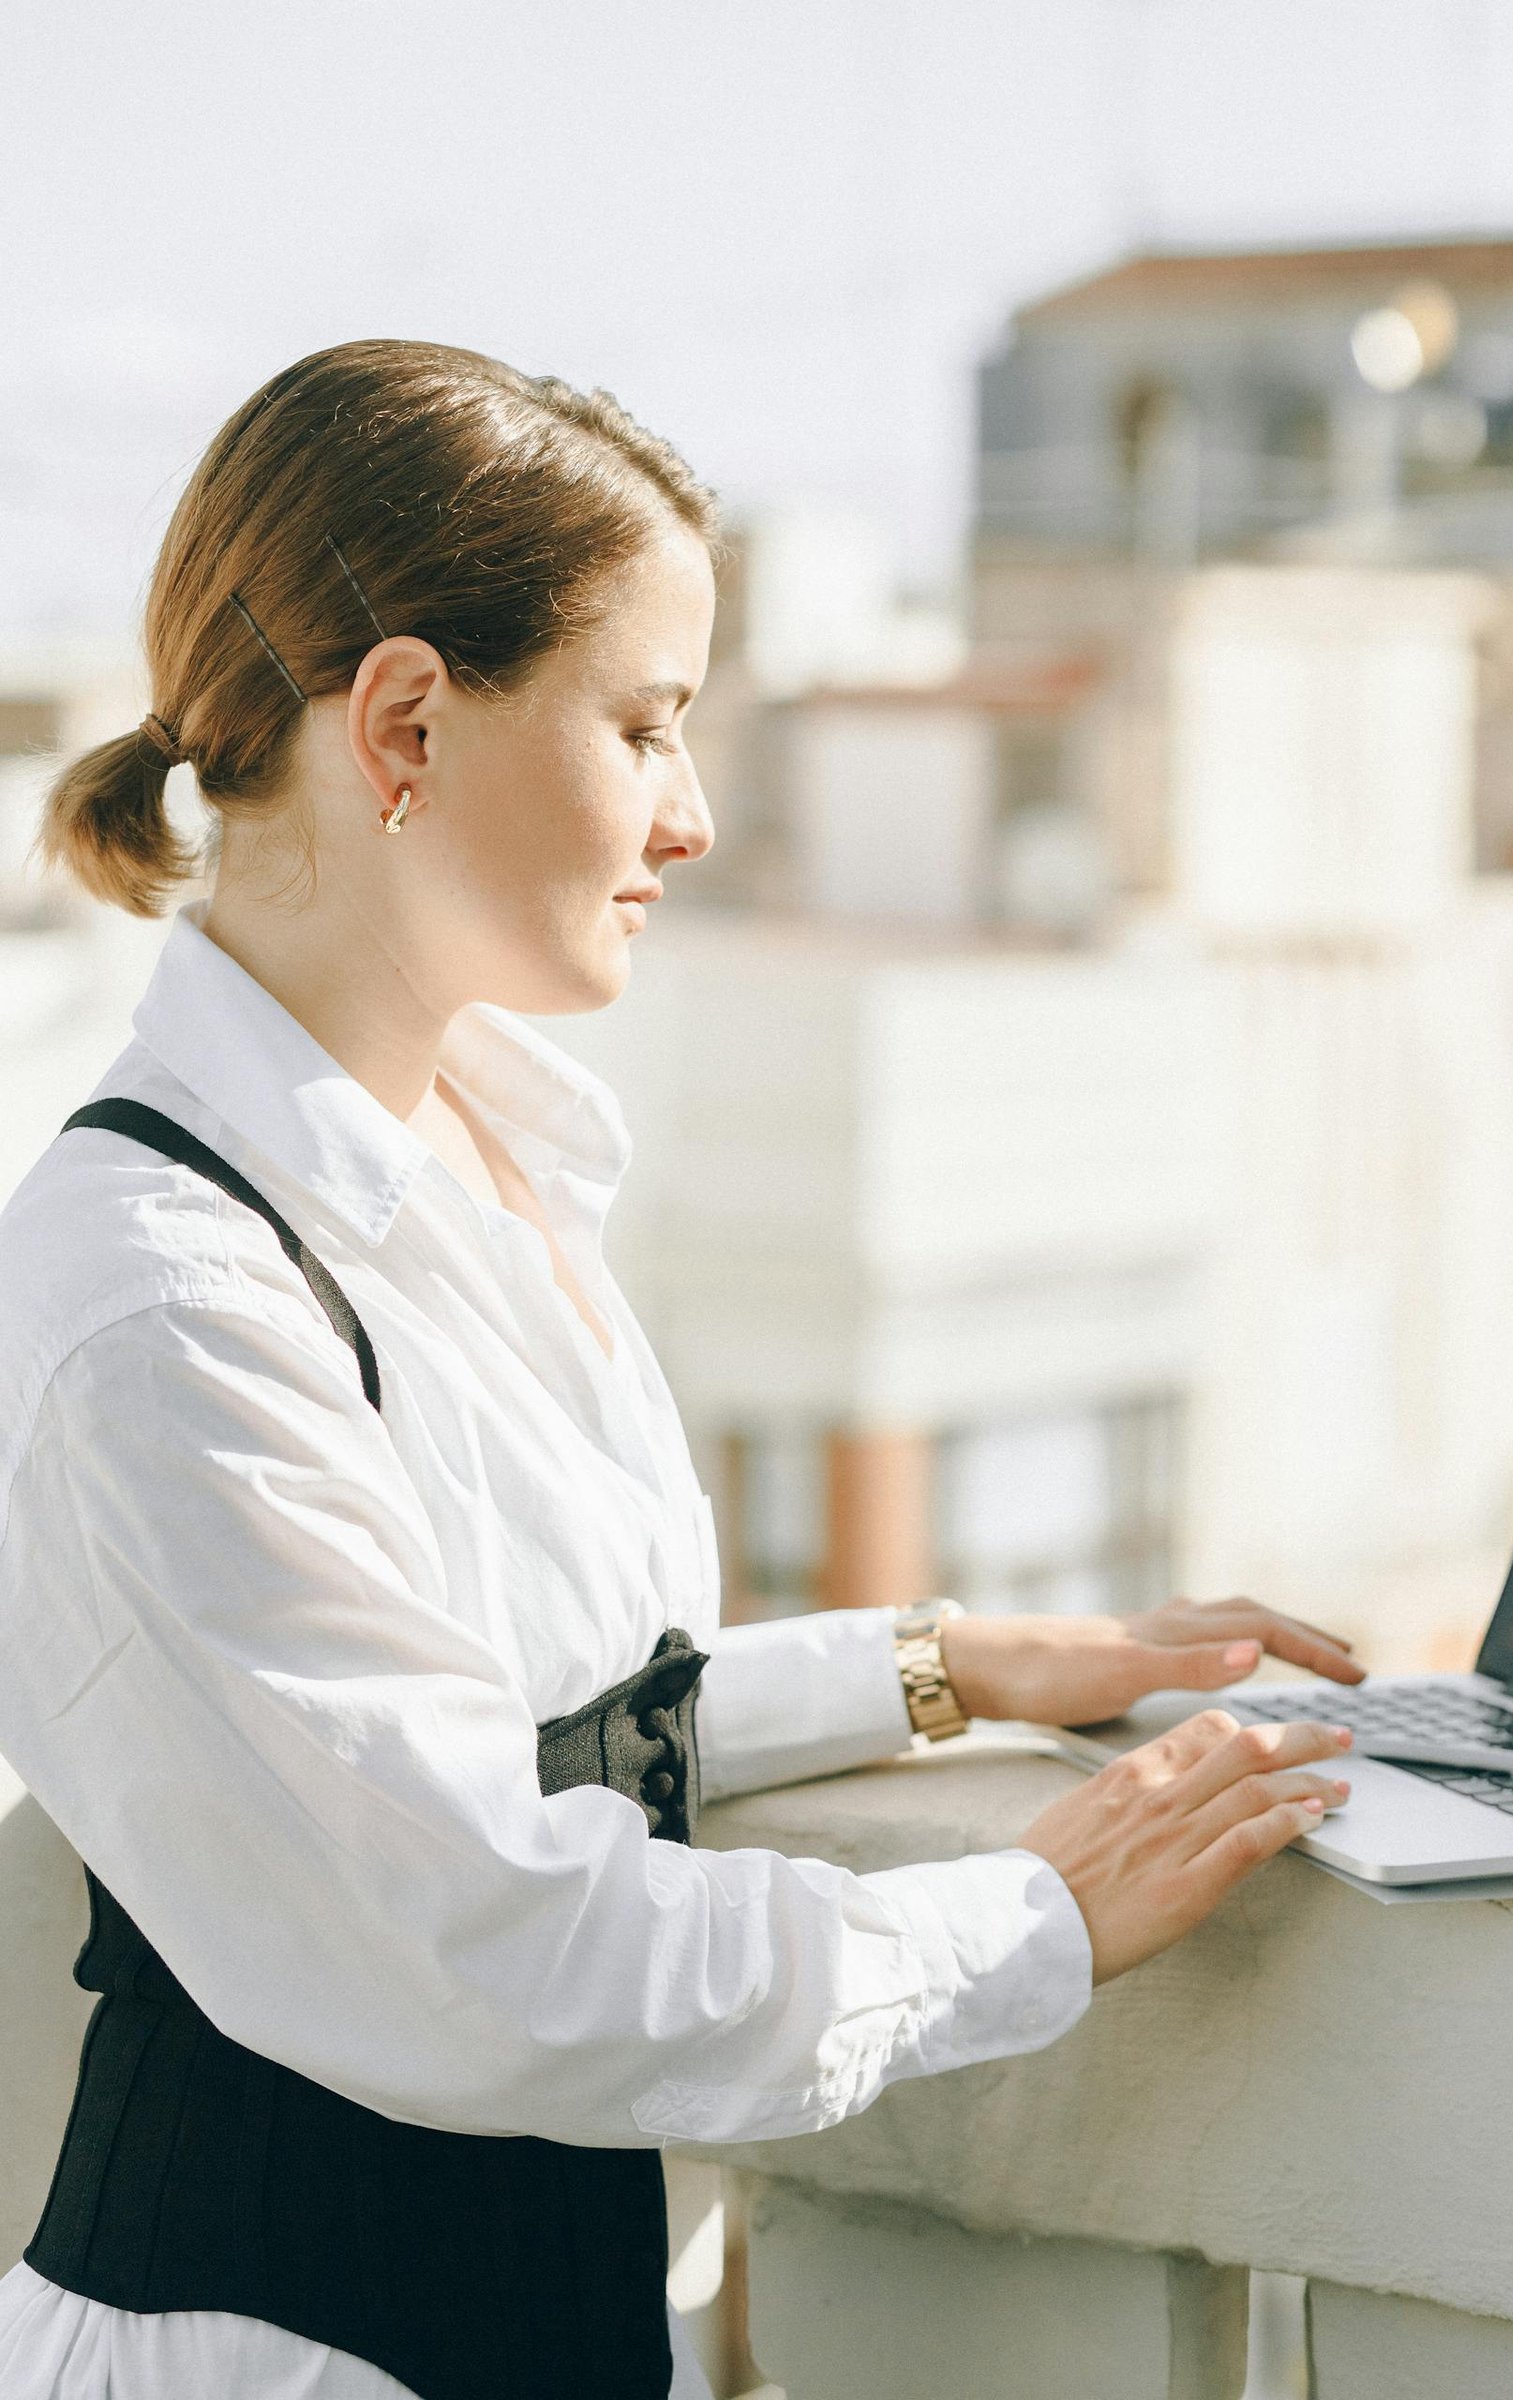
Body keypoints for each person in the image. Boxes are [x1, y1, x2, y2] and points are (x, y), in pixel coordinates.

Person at [0, 340, 1360, 2400]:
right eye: (643, 727)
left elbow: (520, 1719)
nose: (696, 815)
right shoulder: (167, 1304)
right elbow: (483, 1937)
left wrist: (932, 1664)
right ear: (400, 725)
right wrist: (1027, 1915)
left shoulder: (482, 1151)